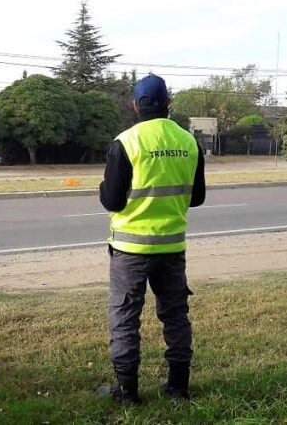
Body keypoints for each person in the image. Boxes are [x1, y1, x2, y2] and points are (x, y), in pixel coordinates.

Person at [97, 74, 205, 403]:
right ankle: (178, 386)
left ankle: (126, 391)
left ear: (134, 105)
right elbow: (197, 197)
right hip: (171, 247)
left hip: (130, 248)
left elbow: (112, 200)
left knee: (125, 315)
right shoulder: (189, 141)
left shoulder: (126, 142)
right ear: (168, 103)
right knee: (175, 314)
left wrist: (103, 188)